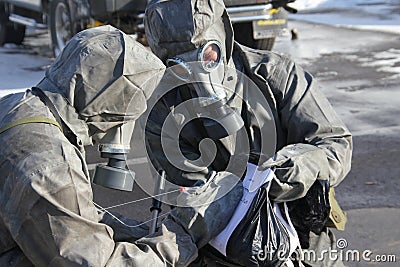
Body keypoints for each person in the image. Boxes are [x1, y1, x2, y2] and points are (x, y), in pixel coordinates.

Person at [0, 25, 243, 266]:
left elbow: (68, 217)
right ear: (110, 98)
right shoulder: (50, 165)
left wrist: (139, 230)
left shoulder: (19, 108)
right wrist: (183, 235)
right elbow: (97, 262)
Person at [143, 0, 353, 266]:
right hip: (224, 251)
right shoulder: (163, 116)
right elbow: (197, 198)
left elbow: (335, 143)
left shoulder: (277, 76)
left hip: (304, 236)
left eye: (206, 55)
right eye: (179, 64)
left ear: (223, 38)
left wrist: (295, 167)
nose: (197, 69)